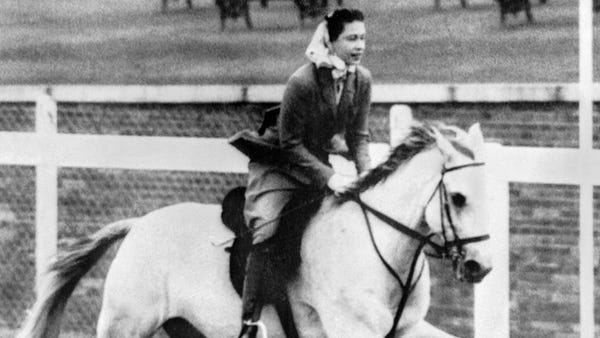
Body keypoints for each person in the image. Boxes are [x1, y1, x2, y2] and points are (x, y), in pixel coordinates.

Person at [236, 8, 372, 336]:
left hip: (318, 162)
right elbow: (290, 144)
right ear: (330, 41)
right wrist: (329, 177)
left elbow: (359, 136)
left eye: (363, 38)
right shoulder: (302, 81)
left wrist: (367, 176)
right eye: (351, 38)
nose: (359, 45)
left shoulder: (362, 79)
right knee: (267, 229)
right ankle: (250, 320)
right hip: (281, 164)